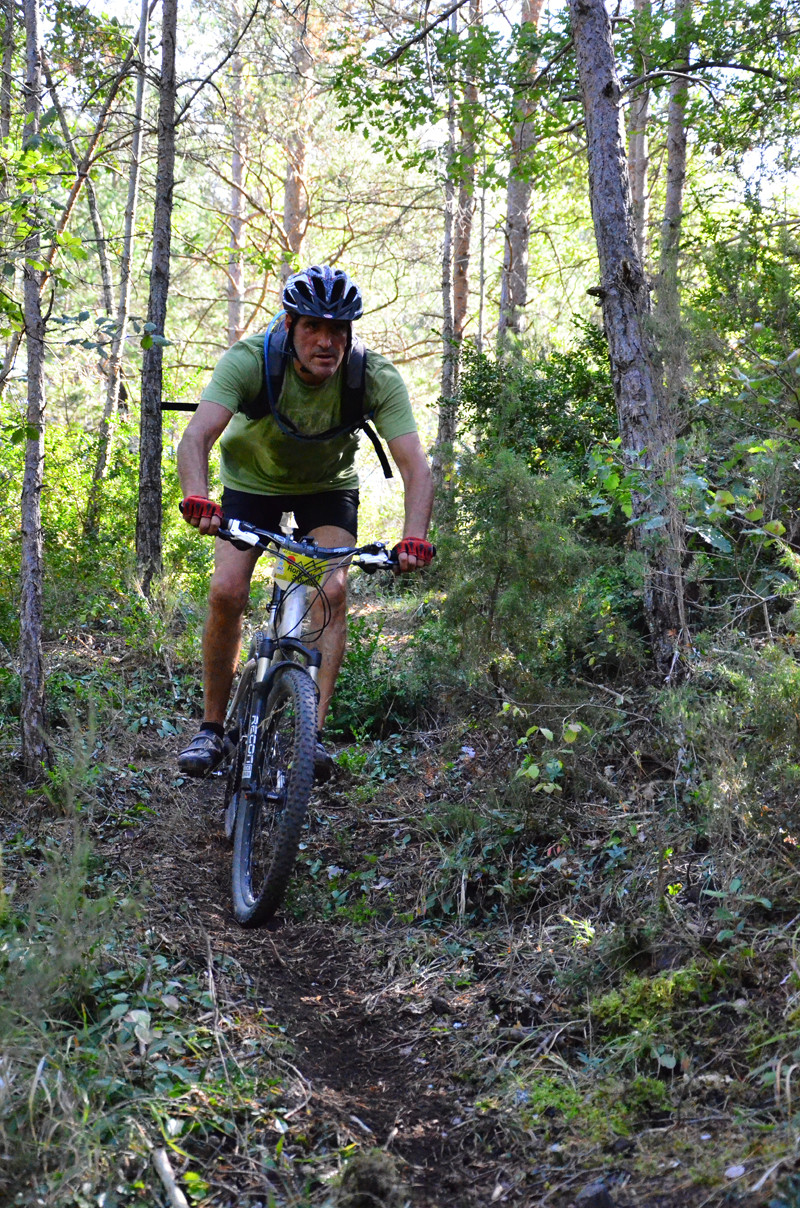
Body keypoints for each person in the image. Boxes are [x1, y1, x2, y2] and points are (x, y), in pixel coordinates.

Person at [176, 264, 434, 778]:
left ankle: (308, 735)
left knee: (332, 591)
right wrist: (198, 498)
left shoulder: (372, 376)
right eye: (313, 327)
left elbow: (415, 466)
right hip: (251, 482)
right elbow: (196, 437)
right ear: (290, 324)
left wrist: (414, 539)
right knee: (227, 590)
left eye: (337, 330)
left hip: (327, 487)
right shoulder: (250, 360)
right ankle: (210, 730)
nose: (326, 341)